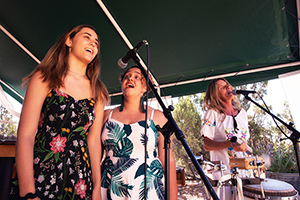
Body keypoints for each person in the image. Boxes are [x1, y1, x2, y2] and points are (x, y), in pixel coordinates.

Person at [10, 24, 110, 200]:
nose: (93, 44)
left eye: (96, 43)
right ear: (69, 40)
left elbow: (93, 141)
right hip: (42, 171)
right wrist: (27, 192)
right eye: (87, 37)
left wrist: (96, 189)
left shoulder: (98, 91)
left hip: (79, 179)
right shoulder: (44, 77)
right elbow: (26, 134)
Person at [100, 66, 178, 200]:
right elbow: (95, 157)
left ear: (145, 88)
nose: (130, 78)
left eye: (137, 77)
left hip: (148, 189)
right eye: (127, 76)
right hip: (111, 187)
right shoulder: (106, 115)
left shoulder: (158, 117)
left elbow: (168, 161)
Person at [200, 78, 253, 198]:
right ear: (215, 95)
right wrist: (230, 143)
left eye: (228, 85)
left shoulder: (242, 113)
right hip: (225, 176)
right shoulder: (213, 113)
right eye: (222, 87)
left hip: (246, 174)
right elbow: (206, 145)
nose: (228, 88)